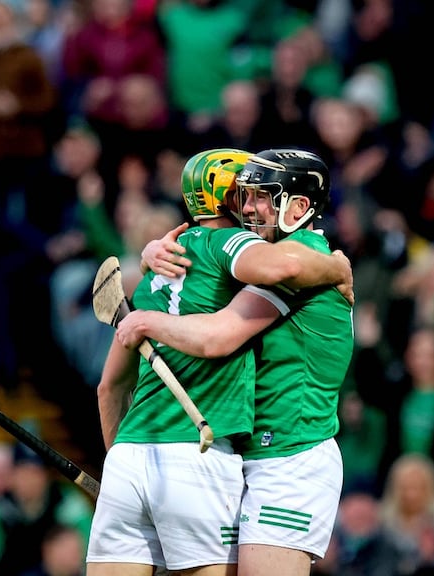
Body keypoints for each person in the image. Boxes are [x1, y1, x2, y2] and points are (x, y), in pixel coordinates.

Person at [88, 148, 352, 576]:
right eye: (243, 195)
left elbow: (219, 335)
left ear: (299, 206)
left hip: (289, 456)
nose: (248, 208)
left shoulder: (297, 259)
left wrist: (338, 269)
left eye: (262, 197)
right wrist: (151, 252)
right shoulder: (234, 257)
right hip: (233, 451)